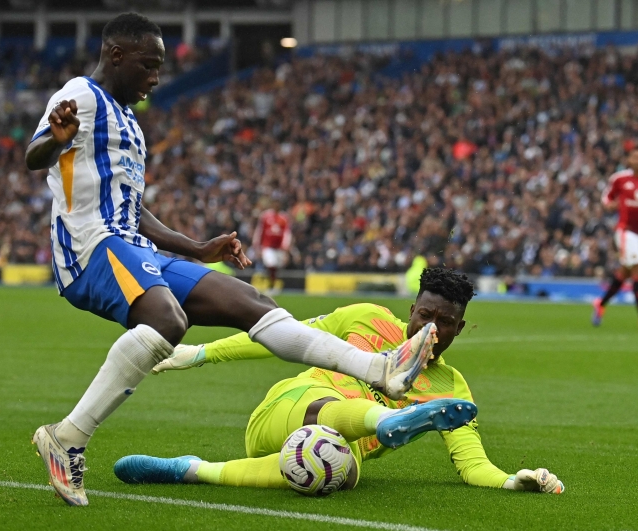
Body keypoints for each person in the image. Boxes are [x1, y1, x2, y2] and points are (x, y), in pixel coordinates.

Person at [24, 12, 436, 506]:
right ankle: (68, 437)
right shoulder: (82, 96)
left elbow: (132, 208)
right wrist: (57, 138)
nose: (156, 77)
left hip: (130, 246)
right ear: (116, 55)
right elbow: (36, 156)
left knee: (249, 301)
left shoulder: (130, 121)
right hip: (90, 248)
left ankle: (379, 369)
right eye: (148, 65)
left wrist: (197, 248)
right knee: (166, 320)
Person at [115, 268, 564, 495]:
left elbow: (471, 465)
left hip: (327, 454)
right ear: (411, 310)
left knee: (330, 463)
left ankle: (187, 470)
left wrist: (510, 481)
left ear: (458, 329)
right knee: (324, 409)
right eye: (425, 315)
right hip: (286, 410)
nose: (432, 329)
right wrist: (200, 353)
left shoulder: (452, 388)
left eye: (445, 323)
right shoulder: (365, 318)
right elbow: (280, 332)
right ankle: (385, 422)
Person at [593, 148, 638, 329]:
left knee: (624, 273)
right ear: (629, 160)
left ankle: (600, 304)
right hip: (626, 231)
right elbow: (606, 198)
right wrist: (610, 205)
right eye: (635, 157)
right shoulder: (619, 179)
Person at [252, 203, 291, 294]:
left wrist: (285, 247)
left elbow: (287, 233)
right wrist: (257, 245)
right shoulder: (265, 216)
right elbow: (260, 230)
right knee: (270, 264)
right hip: (267, 246)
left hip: (279, 247)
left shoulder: (284, 217)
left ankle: (274, 283)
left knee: (277, 266)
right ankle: (271, 284)